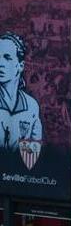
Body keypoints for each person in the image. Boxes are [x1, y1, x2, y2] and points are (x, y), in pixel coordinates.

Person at [0, 33, 43, 168]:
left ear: (20, 65)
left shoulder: (31, 106)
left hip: (19, 176)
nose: (0, 63)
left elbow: (31, 159)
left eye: (7, 58)